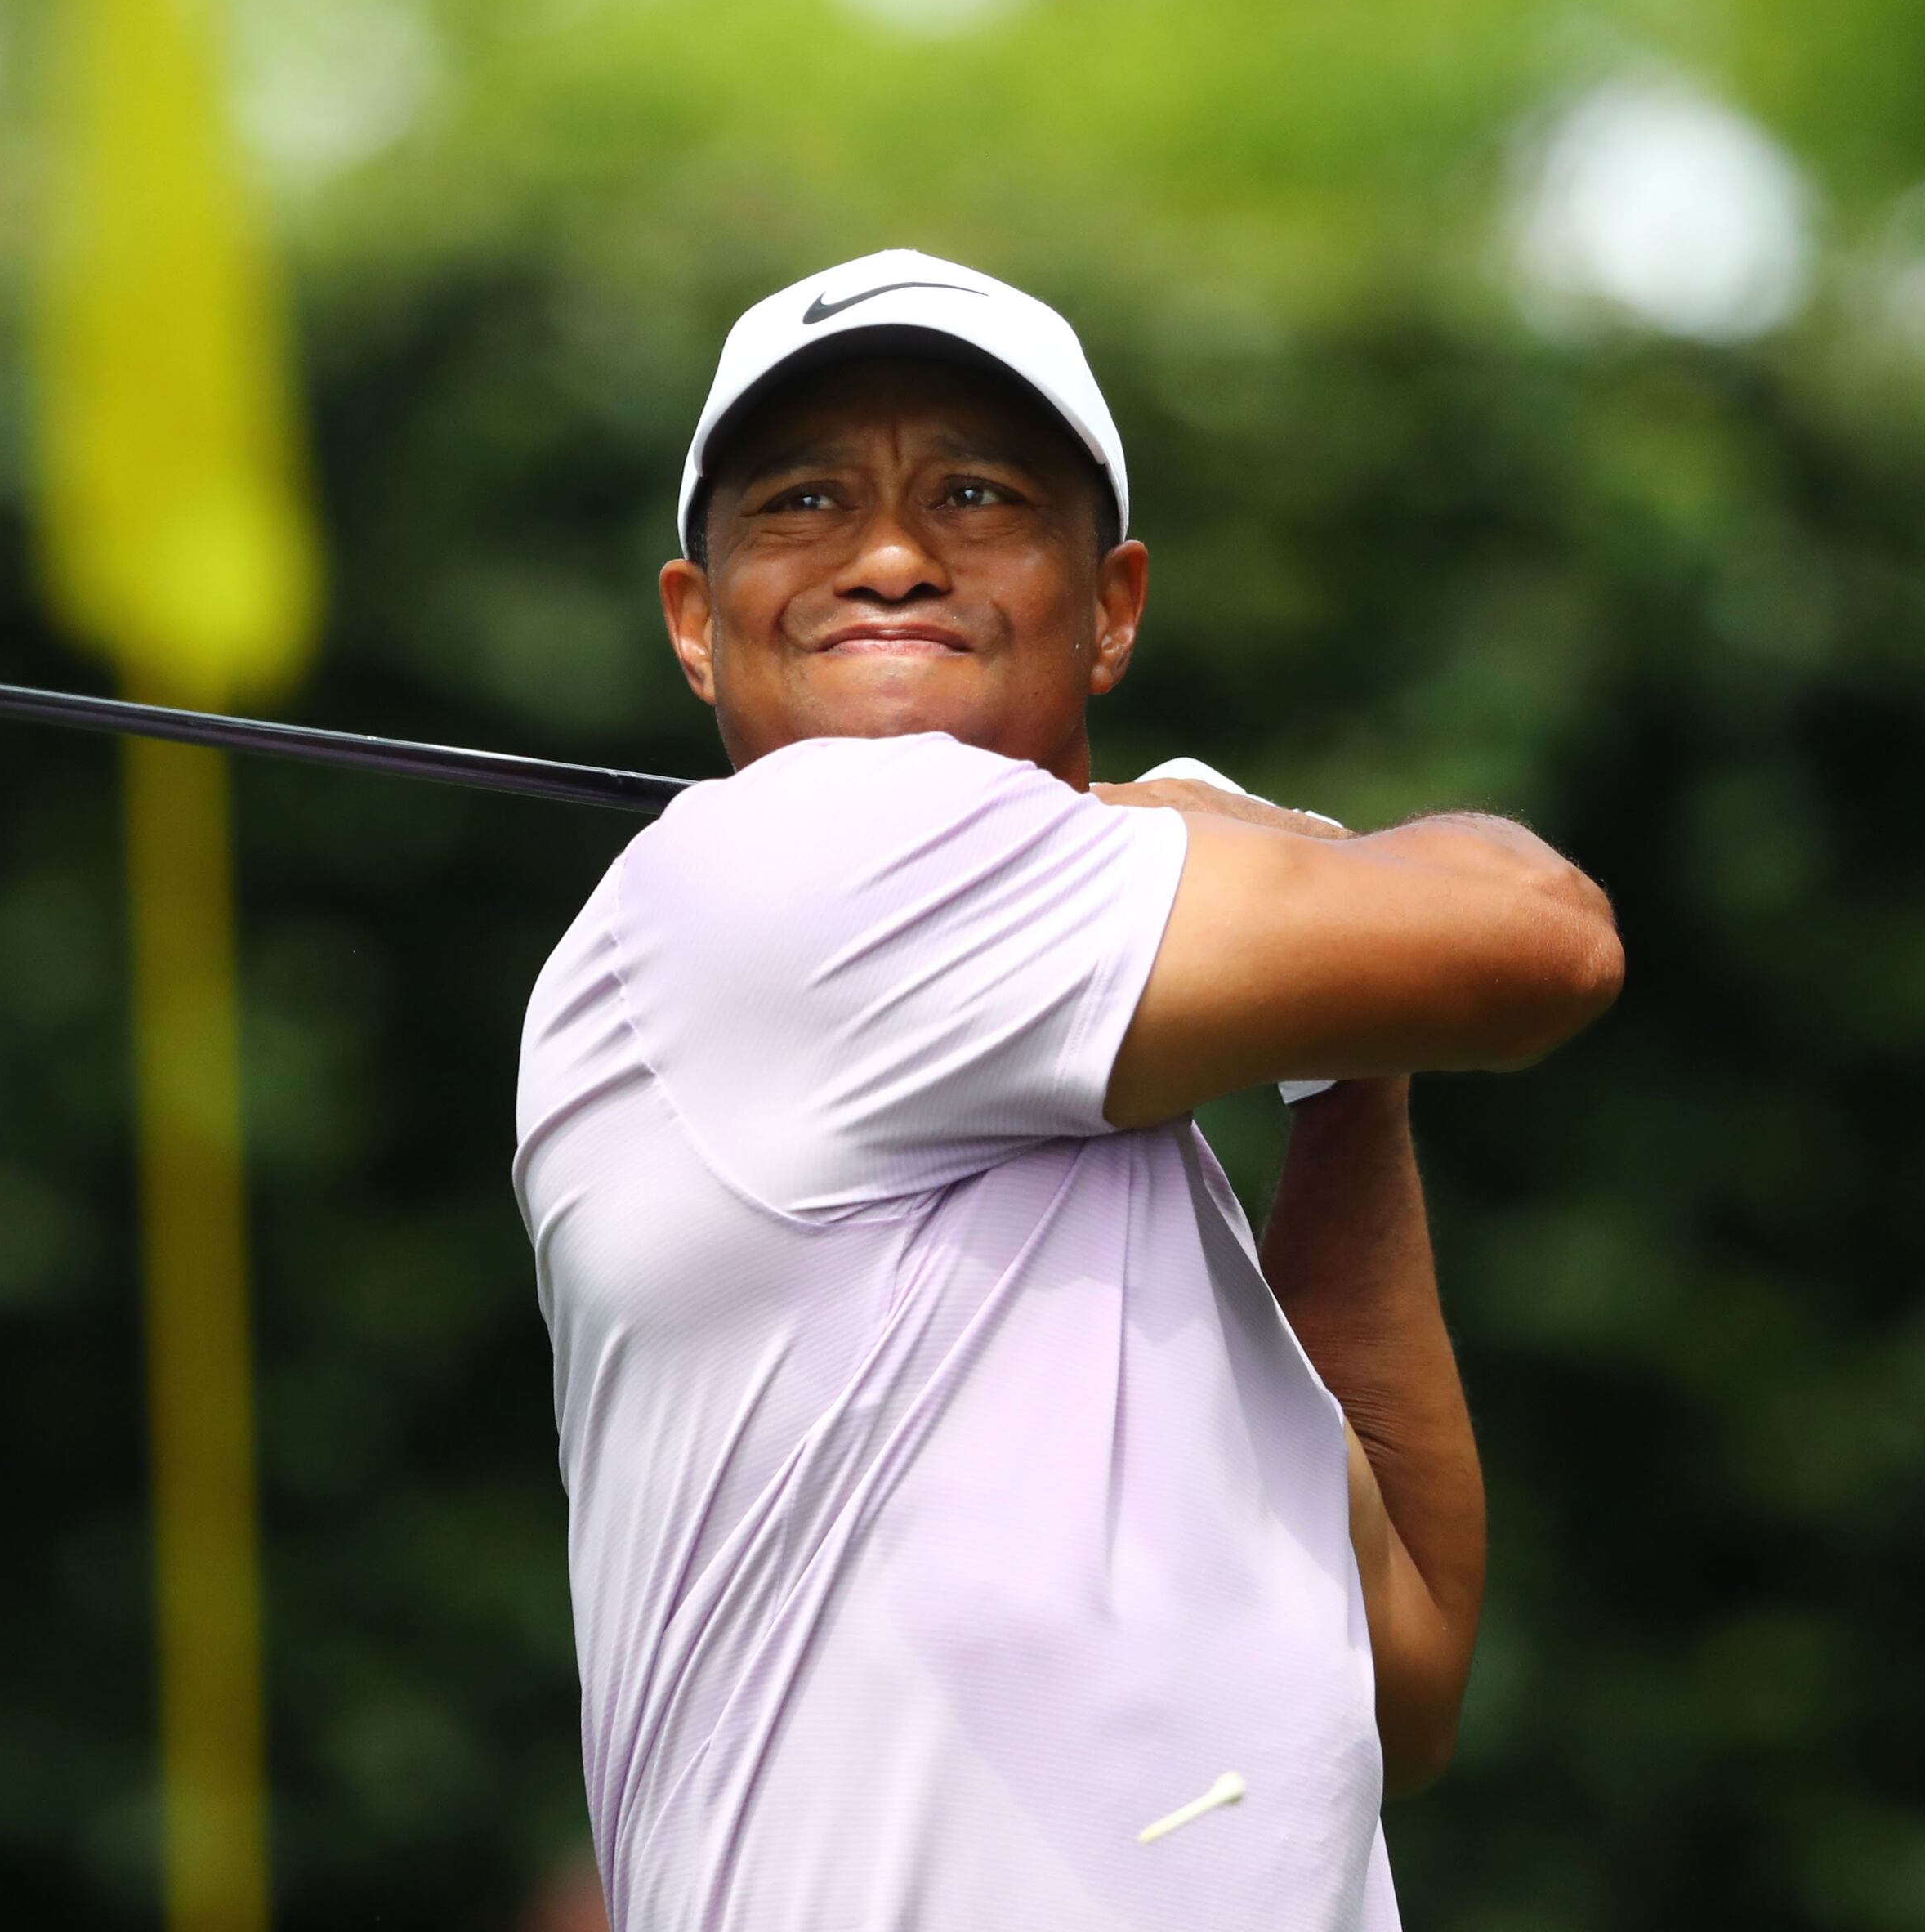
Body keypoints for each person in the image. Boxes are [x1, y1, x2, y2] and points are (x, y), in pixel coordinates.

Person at [512, 249, 1623, 1930]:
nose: (889, 556)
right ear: (695, 619)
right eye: (806, 502)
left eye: (976, 494)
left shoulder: (1104, 1133)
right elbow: (1547, 935)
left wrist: (1344, 1080)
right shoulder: (787, 861)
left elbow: (1401, 1681)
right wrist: (1255, 848)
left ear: (1111, 604)